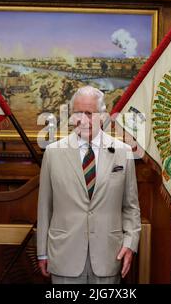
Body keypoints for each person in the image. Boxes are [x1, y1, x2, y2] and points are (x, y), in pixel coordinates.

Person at [37, 85, 141, 284]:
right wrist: (42, 252)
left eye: (89, 113)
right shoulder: (53, 153)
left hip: (108, 255)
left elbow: (131, 207)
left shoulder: (123, 152)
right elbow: (44, 207)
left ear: (102, 116)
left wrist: (130, 244)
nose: (83, 120)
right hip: (64, 256)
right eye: (77, 113)